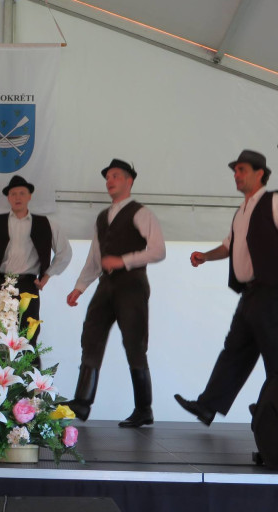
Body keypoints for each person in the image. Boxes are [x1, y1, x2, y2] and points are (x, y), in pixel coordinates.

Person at [174, 150, 278, 426]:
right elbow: (228, 247)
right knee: (235, 349)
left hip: (274, 289)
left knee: (274, 353)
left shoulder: (275, 202)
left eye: (242, 170)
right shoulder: (242, 211)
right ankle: (208, 406)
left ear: (260, 173)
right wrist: (206, 256)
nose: (236, 175)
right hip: (251, 292)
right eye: (235, 170)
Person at [66, 159, 166, 427]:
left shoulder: (141, 213)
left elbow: (158, 250)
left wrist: (123, 260)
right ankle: (82, 402)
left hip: (132, 284)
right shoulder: (102, 217)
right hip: (106, 284)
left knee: (134, 343)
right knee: (91, 336)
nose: (110, 181)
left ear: (129, 181)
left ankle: (144, 409)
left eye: (116, 176)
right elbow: (95, 257)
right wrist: (80, 287)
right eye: (108, 177)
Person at [0, 175, 72, 366]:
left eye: (22, 193)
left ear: (29, 196)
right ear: (8, 198)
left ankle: (29, 383)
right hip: (1, 284)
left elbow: (65, 252)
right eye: (13, 194)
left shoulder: (46, 224)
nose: (17, 197)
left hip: (29, 285)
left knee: (27, 336)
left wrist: (47, 276)